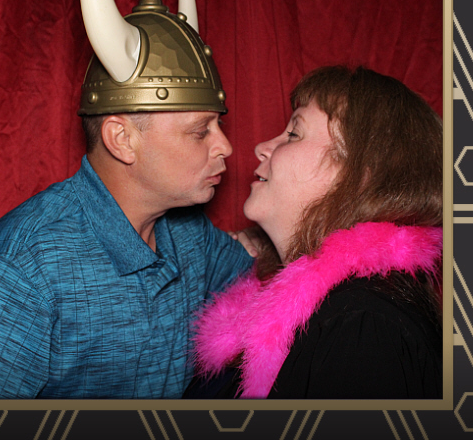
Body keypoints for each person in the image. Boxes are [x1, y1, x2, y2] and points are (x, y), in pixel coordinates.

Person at [0, 0, 253, 400]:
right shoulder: (11, 276)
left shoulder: (188, 233)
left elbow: (260, 285)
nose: (225, 146)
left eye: (218, 125)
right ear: (122, 140)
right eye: (200, 131)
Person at [187, 65, 443, 400]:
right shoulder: (329, 308)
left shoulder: (365, 326)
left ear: (361, 175)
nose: (262, 147)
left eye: (294, 133)